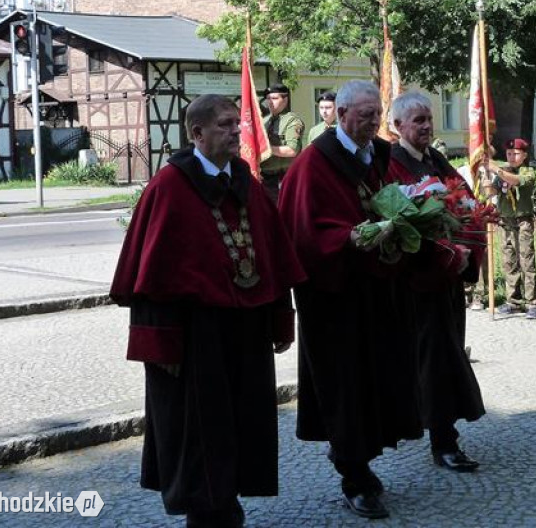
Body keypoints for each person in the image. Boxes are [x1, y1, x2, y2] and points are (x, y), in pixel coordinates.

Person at [109, 94, 306, 527]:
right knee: (199, 432)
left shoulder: (246, 182)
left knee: (241, 424)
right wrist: (160, 348)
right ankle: (206, 513)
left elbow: (273, 258)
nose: (237, 131)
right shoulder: (169, 188)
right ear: (196, 133)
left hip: (246, 331)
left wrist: (279, 320)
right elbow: (149, 280)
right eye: (225, 125)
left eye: (237, 123)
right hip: (196, 337)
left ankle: (228, 503)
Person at [277, 80, 422, 521]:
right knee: (344, 388)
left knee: (376, 381)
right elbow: (302, 234)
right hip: (334, 299)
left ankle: (363, 462)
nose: (372, 124)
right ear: (340, 115)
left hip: (376, 291)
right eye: (364, 117)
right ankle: (354, 475)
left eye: (376, 116)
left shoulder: (377, 156)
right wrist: (350, 238)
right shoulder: (312, 164)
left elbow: (391, 202)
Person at [387, 92, 485, 474]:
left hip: (446, 280)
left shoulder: (437, 160)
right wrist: (446, 253)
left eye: (428, 119)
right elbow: (401, 222)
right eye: (418, 120)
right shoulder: (392, 165)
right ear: (399, 127)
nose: (426, 126)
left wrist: (465, 247)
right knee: (427, 362)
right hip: (416, 283)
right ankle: (438, 439)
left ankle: (444, 435)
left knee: (447, 357)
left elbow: (467, 204)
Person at [488, 138, 536, 318]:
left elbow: (517, 181)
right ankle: (513, 300)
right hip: (505, 220)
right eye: (509, 153)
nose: (512, 156)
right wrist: (484, 178)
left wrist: (497, 169)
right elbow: (493, 191)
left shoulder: (528, 171)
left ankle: (533, 301)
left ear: (524, 155)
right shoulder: (502, 171)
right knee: (509, 260)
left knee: (526, 259)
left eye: (516, 153)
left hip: (522, 221)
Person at [261, 83, 305, 201]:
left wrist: (266, 148)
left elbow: (292, 150)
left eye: (275, 98)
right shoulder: (264, 121)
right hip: (264, 177)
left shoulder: (292, 121)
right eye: (268, 99)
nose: (270, 102)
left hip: (282, 178)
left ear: (285, 100)